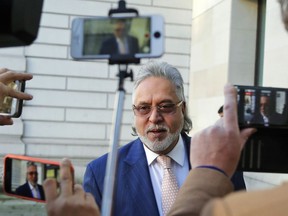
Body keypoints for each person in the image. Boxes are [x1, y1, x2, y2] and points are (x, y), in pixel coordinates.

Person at [83, 61, 246, 216]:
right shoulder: (102, 173)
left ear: (182, 109)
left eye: (165, 106)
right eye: (143, 108)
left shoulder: (221, 160)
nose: (154, 117)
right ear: (134, 112)